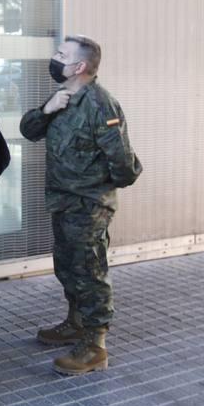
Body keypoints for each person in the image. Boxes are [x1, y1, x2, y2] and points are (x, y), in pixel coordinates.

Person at [19, 36, 142, 375]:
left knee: (90, 272)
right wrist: (47, 109)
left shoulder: (101, 105)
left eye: (62, 54)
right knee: (67, 266)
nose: (55, 58)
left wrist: (93, 189)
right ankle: (75, 322)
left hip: (88, 207)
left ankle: (95, 344)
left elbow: (123, 166)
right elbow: (28, 130)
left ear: (80, 66)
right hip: (62, 201)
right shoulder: (63, 98)